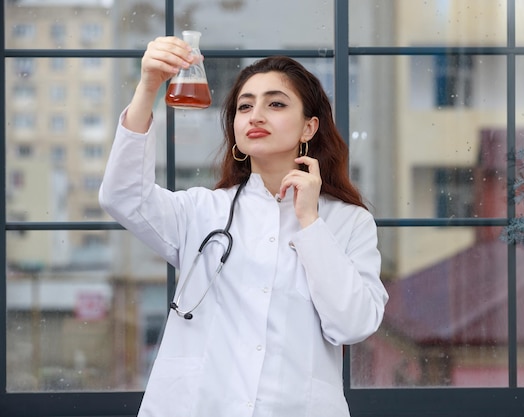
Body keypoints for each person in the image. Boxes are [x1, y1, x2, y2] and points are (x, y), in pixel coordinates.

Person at [99, 35, 388, 417]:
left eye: (276, 104)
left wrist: (310, 222)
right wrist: (149, 86)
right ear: (234, 128)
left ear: (309, 127)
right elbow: (122, 196)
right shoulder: (201, 211)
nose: (256, 115)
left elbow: (353, 325)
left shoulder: (349, 222)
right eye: (244, 106)